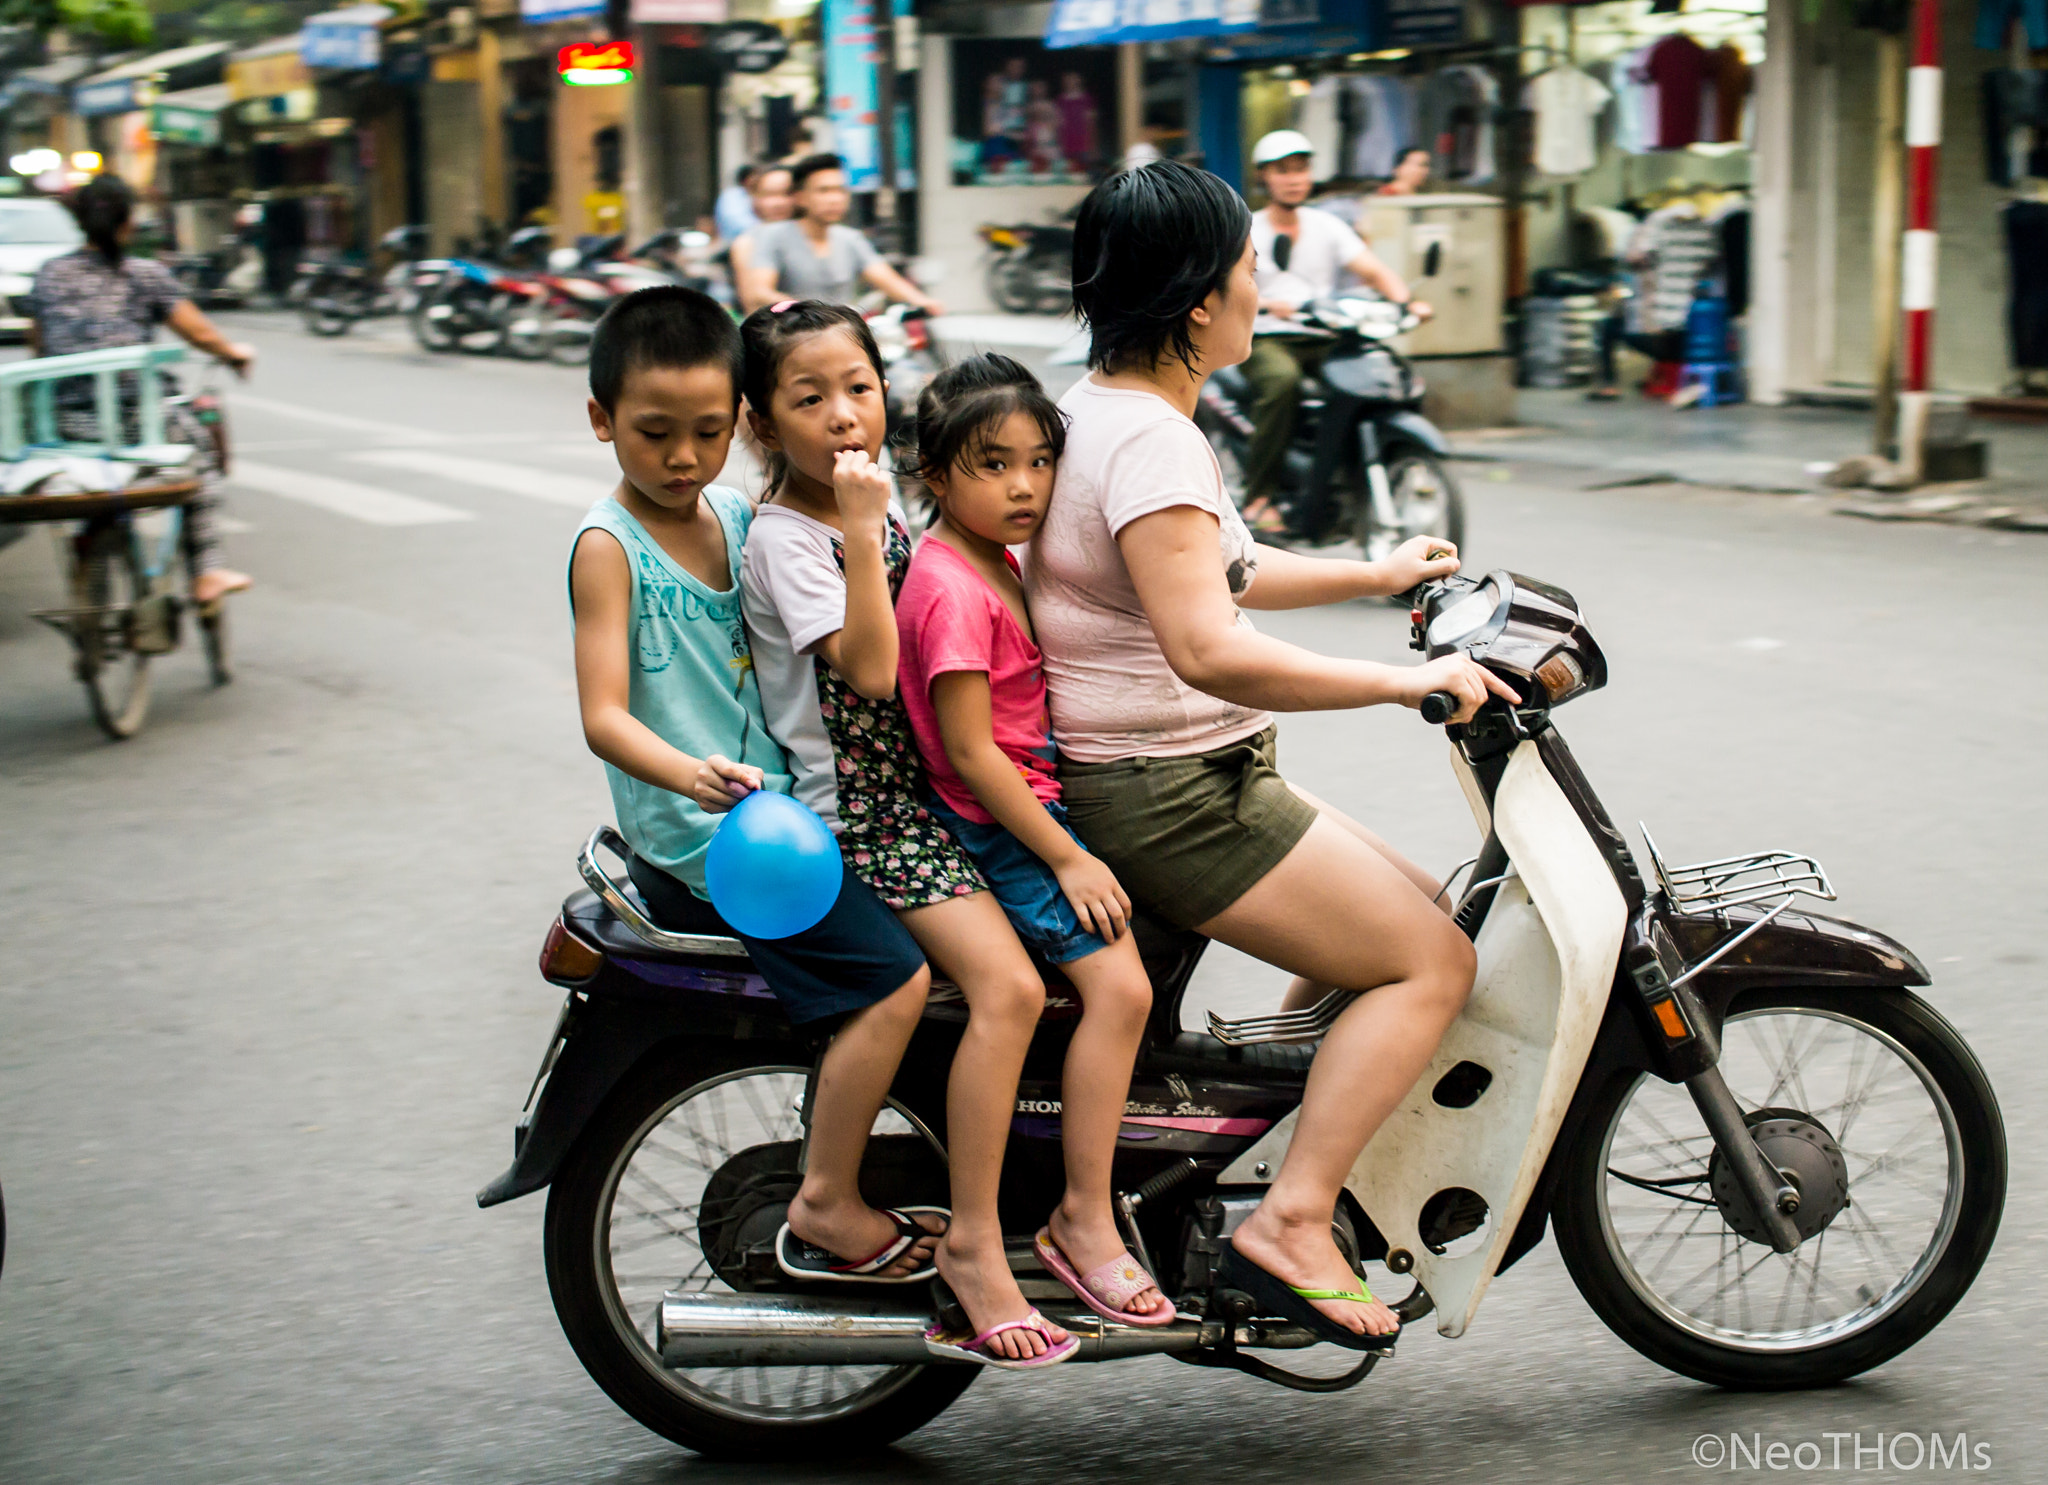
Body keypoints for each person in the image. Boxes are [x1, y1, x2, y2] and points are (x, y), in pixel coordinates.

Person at [1033, 160, 1515, 1350]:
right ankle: (1291, 1219)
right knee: (1431, 970)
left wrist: (1374, 573)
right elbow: (1208, 643)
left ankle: (1259, 1151)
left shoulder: (1096, 410)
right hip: (1162, 791)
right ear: (1198, 299)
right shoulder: (1151, 441)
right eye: (1250, 267)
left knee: (1416, 916)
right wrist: (1409, 681)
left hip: (1184, 770)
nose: (1263, 288)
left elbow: (1222, 567)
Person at [568, 287, 947, 1284]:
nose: (682, 458)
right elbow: (602, 711)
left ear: (737, 421)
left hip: (775, 810)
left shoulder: (737, 514)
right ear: (601, 419)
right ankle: (827, 1200)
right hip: (709, 838)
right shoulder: (609, 548)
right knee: (896, 979)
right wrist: (687, 774)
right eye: (653, 434)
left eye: (703, 432)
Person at [737, 300, 1072, 1367]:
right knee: (1010, 989)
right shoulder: (799, 539)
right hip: (868, 817)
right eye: (809, 398)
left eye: (860, 390)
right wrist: (855, 528)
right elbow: (873, 672)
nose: (843, 417)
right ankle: (891, 1221)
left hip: (923, 793)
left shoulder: (869, 510)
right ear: (759, 424)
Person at [894, 354, 1168, 1328]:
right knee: (1121, 989)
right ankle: (1080, 1218)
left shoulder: (988, 560)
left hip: (1037, 802)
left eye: (1038, 461)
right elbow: (970, 753)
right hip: (1007, 827)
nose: (1022, 486)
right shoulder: (950, 590)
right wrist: (1063, 854)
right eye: (990, 464)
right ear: (934, 475)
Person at [28, 174, 255, 606]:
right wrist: (235, 355)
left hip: (64, 425)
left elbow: (41, 348)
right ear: (128, 224)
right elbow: (200, 335)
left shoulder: (49, 275)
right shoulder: (145, 275)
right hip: (136, 423)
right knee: (202, 452)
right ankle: (207, 571)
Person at [1241, 129, 1431, 535]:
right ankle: (1260, 496)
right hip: (1269, 336)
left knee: (1378, 376)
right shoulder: (1249, 229)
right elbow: (1227, 285)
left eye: (1301, 169)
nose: (1293, 178)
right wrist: (1265, 303)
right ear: (1264, 177)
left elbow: (1375, 271)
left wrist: (1406, 301)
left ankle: (1355, 471)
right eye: (1282, 170)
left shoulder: (1326, 226)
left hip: (1324, 333)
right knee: (1282, 383)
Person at [739, 155, 944, 315]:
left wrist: (922, 301)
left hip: (842, 336)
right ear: (800, 198)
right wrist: (808, 310)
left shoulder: (850, 239)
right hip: (791, 340)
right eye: (824, 191)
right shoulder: (774, 236)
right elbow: (760, 292)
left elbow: (885, 278)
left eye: (840, 190)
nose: (834, 199)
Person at [726, 164, 794, 307]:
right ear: (754, 198)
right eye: (769, 194)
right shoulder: (746, 243)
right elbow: (752, 303)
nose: (779, 203)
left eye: (787, 193)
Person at [714, 163, 759, 242]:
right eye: (755, 176)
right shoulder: (732, 195)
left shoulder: (757, 195)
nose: (759, 179)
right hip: (733, 243)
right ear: (746, 179)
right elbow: (737, 223)